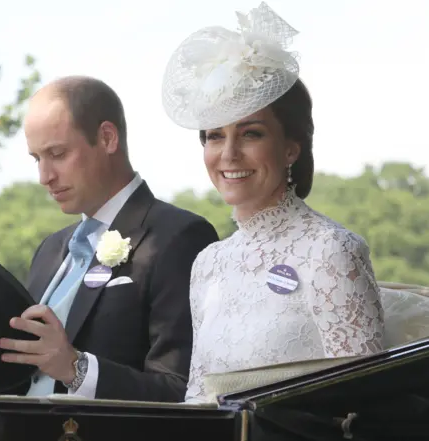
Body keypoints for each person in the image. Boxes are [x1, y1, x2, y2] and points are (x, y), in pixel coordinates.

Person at [160, 2, 385, 403]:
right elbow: (198, 395)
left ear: (290, 148)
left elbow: (364, 403)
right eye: (214, 135)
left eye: (250, 134)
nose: (228, 154)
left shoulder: (331, 249)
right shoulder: (208, 263)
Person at [0, 75, 219, 402]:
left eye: (57, 153)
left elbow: (182, 392)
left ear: (107, 138)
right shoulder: (49, 250)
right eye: (36, 159)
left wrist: (76, 368)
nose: (44, 177)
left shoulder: (179, 238)